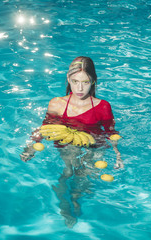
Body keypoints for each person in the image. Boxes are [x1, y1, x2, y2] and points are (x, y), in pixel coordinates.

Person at [20, 56, 124, 228]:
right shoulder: (57, 104)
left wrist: (118, 155)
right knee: (67, 172)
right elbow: (45, 128)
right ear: (68, 79)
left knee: (84, 178)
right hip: (67, 144)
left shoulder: (103, 106)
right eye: (75, 81)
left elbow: (111, 133)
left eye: (85, 82)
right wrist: (31, 147)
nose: (80, 88)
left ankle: (76, 198)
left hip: (94, 145)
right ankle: (64, 205)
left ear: (93, 81)